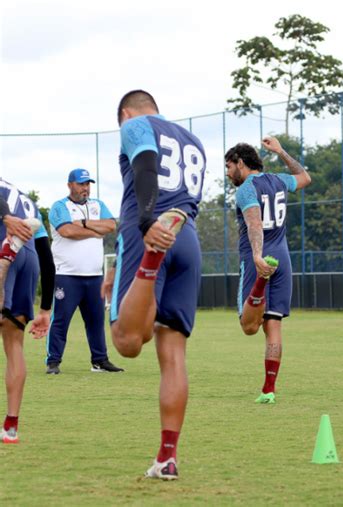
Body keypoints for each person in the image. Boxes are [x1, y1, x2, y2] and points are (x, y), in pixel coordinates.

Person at [109, 89, 206, 480]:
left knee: (127, 342)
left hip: (151, 231)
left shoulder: (135, 124)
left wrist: (148, 221)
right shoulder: (193, 140)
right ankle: (167, 457)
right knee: (173, 355)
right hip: (188, 239)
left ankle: (150, 264)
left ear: (127, 113)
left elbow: (147, 164)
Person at [225, 138, 311, 404]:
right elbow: (304, 177)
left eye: (229, 166)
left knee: (249, 327)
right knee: (273, 325)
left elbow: (254, 223)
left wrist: (257, 257)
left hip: (259, 258)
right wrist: (281, 151)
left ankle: (260, 284)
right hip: (283, 258)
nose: (228, 173)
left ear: (241, 163)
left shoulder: (246, 189)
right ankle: (268, 390)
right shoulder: (278, 180)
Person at [46, 169, 123, 374]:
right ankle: (53, 361)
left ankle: (100, 361)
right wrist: (95, 231)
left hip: (94, 276)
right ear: (70, 185)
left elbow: (110, 225)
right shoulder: (59, 206)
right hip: (67, 275)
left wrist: (86, 223)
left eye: (88, 184)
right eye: (81, 184)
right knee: (61, 320)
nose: (85, 188)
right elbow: (67, 231)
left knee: (96, 322)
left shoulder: (98, 205)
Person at [0, 179, 55, 443]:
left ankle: (6, 255)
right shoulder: (29, 203)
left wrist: (5, 217)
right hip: (30, 259)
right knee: (14, 346)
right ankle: (10, 427)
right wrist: (45, 309)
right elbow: (47, 258)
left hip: (6, 244)